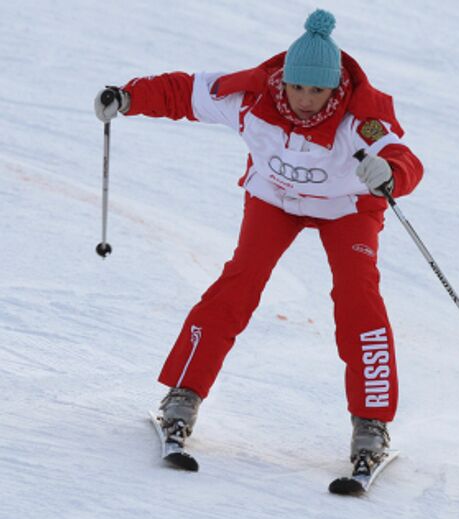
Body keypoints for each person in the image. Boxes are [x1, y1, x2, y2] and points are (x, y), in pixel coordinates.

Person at [94, 9, 423, 470]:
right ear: (283, 80)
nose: (306, 99)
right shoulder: (250, 99)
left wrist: (391, 172)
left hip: (345, 208)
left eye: (318, 90)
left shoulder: (358, 120)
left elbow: (402, 156)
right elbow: (182, 92)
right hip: (275, 200)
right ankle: (182, 396)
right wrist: (127, 96)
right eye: (297, 86)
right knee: (239, 283)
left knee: (357, 296)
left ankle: (370, 423)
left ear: (336, 88)